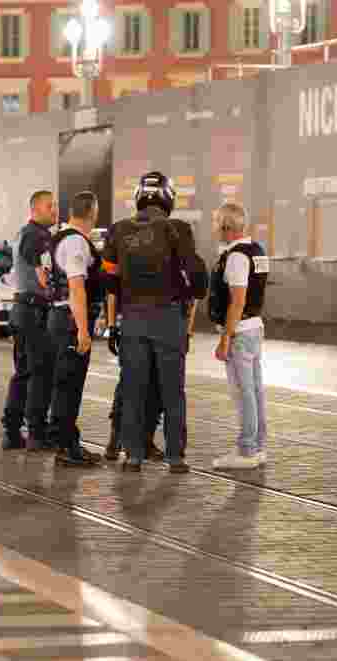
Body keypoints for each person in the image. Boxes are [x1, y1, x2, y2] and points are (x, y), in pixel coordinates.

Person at [101, 171, 207, 473]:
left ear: (139, 197)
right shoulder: (178, 229)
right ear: (168, 198)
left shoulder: (118, 230)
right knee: (172, 391)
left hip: (132, 320)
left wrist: (115, 320)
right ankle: (176, 457)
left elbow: (108, 279)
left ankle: (133, 456)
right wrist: (190, 293)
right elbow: (198, 277)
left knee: (134, 389)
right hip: (168, 320)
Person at [209, 203, 269, 469]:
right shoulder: (258, 251)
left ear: (226, 227)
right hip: (255, 328)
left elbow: (237, 301)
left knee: (244, 392)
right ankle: (257, 446)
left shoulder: (235, 257)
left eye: (216, 223)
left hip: (240, 333)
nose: (214, 228)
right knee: (255, 391)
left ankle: (246, 450)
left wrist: (225, 339)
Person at [47, 191, 104, 466]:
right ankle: (67, 447)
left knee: (62, 384)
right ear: (93, 212)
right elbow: (76, 287)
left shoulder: (58, 237)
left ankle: (65, 441)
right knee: (70, 385)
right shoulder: (76, 243)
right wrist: (83, 329)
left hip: (58, 317)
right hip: (71, 321)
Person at [2, 190, 58, 452]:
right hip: (35, 312)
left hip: (22, 310)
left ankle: (12, 432)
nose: (55, 211)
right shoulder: (38, 236)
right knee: (40, 373)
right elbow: (43, 273)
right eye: (50, 206)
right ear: (35, 209)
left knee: (23, 372)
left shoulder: (23, 233)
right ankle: (36, 432)